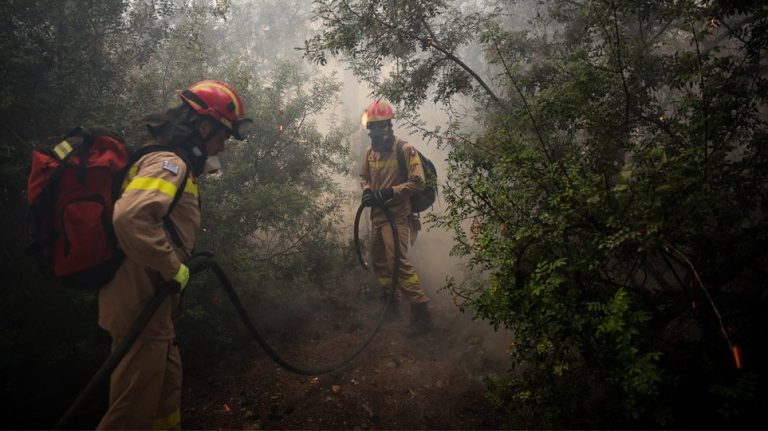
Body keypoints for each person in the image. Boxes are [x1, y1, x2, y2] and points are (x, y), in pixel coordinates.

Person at [96, 80, 252, 430]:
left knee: (164, 394)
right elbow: (130, 217)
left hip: (153, 304)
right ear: (202, 127)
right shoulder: (169, 163)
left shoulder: (175, 164)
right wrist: (172, 269)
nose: (222, 148)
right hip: (139, 301)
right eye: (221, 137)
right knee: (132, 410)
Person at [359, 99, 432, 336]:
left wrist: (392, 192)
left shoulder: (405, 150)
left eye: (380, 126)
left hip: (398, 217)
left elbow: (418, 182)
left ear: (389, 126)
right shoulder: (370, 153)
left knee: (398, 263)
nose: (375, 132)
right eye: (372, 127)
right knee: (379, 262)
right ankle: (391, 304)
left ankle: (421, 313)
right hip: (378, 218)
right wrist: (368, 191)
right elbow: (363, 177)